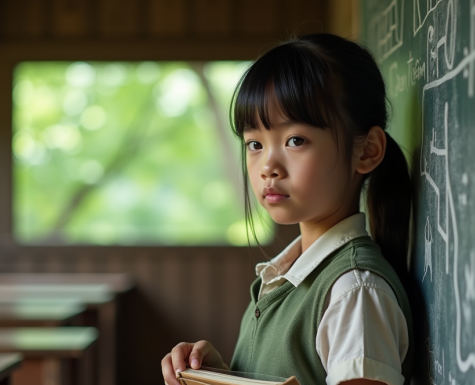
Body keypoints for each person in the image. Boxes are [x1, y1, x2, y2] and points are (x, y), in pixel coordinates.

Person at [162, 33, 413, 385]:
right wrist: (223, 376)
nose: (267, 165)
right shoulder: (284, 277)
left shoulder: (354, 293)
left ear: (368, 150)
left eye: (295, 140)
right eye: (254, 143)